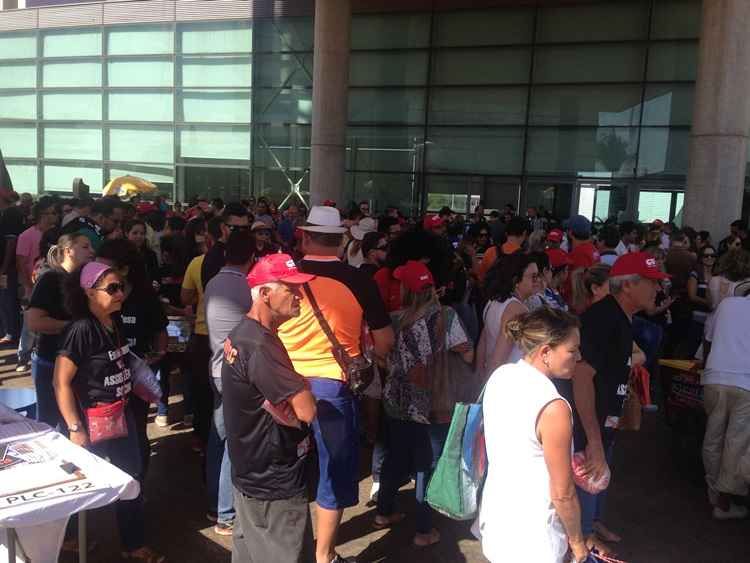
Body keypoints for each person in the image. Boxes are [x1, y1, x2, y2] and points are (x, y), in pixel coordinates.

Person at [277, 206, 394, 563]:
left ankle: (280, 547)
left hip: (280, 382)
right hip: (333, 386)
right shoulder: (358, 280)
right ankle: (324, 555)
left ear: (305, 236)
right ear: (341, 241)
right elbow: (385, 339)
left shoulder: (285, 275)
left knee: (282, 467)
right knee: (333, 469)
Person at [53, 261, 164, 563]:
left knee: (131, 478)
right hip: (90, 421)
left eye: (121, 287)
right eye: (112, 288)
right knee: (80, 484)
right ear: (89, 293)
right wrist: (75, 428)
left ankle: (132, 544)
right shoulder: (81, 330)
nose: (120, 294)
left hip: (120, 415)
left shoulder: (112, 323)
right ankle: (71, 538)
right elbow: (60, 382)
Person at [223, 254, 317, 563]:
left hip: (251, 472)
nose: (299, 296)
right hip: (273, 481)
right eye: (291, 290)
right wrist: (302, 385)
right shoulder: (260, 345)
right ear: (265, 294)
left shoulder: (243, 334)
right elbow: (306, 411)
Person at [570, 252, 667, 552]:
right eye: (651, 282)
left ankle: (590, 529)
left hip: (603, 424)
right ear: (627, 286)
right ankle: (582, 542)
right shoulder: (602, 318)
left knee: (597, 478)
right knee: (587, 477)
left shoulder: (621, 318)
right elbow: (581, 377)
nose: (657, 289)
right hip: (588, 426)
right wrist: (594, 440)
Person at [374, 260, 474, 547]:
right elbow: (466, 353)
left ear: (405, 289)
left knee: (396, 456)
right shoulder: (447, 317)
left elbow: (378, 356)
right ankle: (424, 530)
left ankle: (383, 512)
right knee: (426, 465)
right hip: (432, 402)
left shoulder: (392, 320)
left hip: (396, 400)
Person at [480, 308, 588, 563]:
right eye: (572, 351)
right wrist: (577, 542)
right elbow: (563, 493)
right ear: (545, 352)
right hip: (535, 539)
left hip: (498, 522)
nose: (579, 357)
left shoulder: (500, 377)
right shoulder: (553, 407)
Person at [96, 239, 168, 478]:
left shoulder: (145, 297)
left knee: (135, 432)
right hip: (101, 382)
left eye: (107, 269)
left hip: (135, 381)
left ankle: (135, 487)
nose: (100, 273)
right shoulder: (94, 296)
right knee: (101, 437)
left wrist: (155, 358)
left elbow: (160, 331)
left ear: (124, 269)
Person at [204, 230, 255, 535]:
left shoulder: (213, 282)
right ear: (252, 257)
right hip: (234, 374)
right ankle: (226, 513)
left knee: (218, 439)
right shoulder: (247, 286)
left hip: (214, 369)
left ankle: (215, 505)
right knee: (233, 446)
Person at [26, 233, 94, 427]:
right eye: (85, 246)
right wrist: (75, 328)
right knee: (50, 424)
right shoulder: (50, 279)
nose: (92, 251)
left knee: (73, 421)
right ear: (68, 251)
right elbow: (34, 322)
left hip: (76, 364)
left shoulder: (80, 279)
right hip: (50, 362)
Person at [701, 289, 750, 520]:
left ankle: (714, 493)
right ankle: (723, 503)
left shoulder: (727, 304)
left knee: (713, 438)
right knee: (736, 444)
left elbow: (707, 339)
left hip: (714, 377)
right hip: (745, 384)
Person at [477, 253, 541, 377]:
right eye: (533, 277)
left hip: (494, 377)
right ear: (516, 281)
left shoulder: (493, 301)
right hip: (507, 381)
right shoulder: (516, 309)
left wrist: (480, 375)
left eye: (538, 276)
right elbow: (498, 358)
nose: (538, 280)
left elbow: (483, 342)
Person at [16, 196, 59, 372]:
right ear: (43, 214)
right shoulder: (27, 235)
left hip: (49, 283)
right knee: (29, 325)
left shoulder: (57, 234)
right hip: (32, 283)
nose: (55, 216)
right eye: (52, 213)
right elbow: (20, 263)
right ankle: (23, 357)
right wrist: (27, 286)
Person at [201, 203, 250, 288]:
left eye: (245, 228)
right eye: (234, 228)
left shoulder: (249, 249)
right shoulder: (213, 257)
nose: (240, 232)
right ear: (223, 227)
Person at [0, 187, 26, 346]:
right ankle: (8, 330)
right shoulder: (10, 213)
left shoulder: (10, 214)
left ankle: (10, 332)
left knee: (7, 299)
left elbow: (11, 242)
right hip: (6, 265)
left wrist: (4, 266)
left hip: (6, 267)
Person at [686, 245, 715, 357]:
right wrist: (708, 303)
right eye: (706, 255)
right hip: (697, 320)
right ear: (701, 258)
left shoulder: (717, 275)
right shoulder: (695, 274)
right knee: (693, 351)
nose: (709, 258)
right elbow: (692, 296)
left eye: (712, 255)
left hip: (712, 321)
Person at [478, 216, 526, 281]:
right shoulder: (526, 257)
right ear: (524, 233)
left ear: (506, 233)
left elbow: (481, 278)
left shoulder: (490, 251)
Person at [125, 219, 160, 286]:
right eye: (135, 233)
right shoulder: (122, 254)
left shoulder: (151, 254)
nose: (139, 236)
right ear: (127, 234)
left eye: (142, 233)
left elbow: (156, 276)